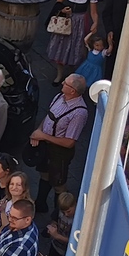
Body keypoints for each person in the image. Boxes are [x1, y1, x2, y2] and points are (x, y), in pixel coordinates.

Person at [30, 75, 89, 211]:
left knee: (58, 183)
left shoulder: (79, 113)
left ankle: (59, 214)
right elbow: (49, 117)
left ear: (73, 90)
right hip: (45, 145)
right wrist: (38, 131)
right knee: (44, 174)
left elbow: (69, 142)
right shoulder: (59, 97)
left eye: (66, 83)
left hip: (59, 152)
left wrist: (43, 136)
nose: (62, 83)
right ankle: (40, 204)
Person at [46, 0, 98, 83]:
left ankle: (71, 75)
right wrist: (63, 9)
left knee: (76, 49)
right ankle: (59, 74)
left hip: (80, 22)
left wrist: (95, 23)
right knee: (60, 48)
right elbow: (58, 4)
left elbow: (93, 12)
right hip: (65, 21)